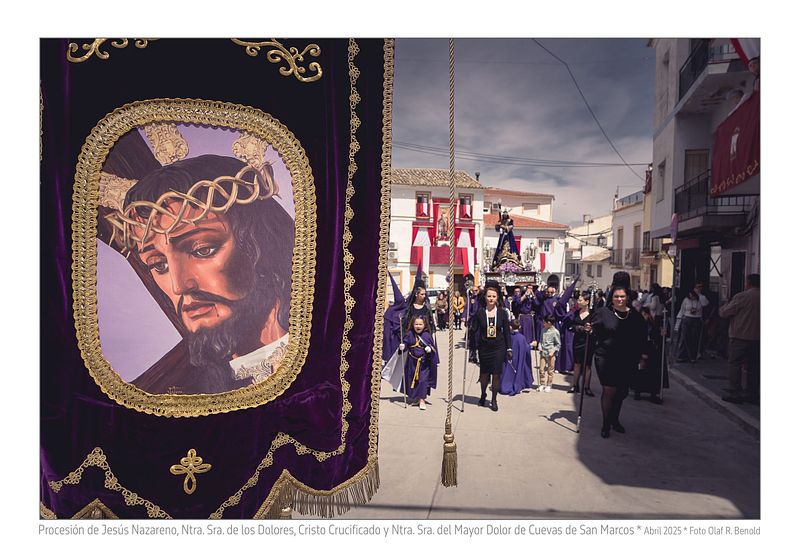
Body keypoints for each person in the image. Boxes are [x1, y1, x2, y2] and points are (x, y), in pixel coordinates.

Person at [110, 154, 293, 394]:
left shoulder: (343, 353)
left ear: (260, 241)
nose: (179, 285)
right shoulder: (179, 396)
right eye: (159, 265)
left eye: (202, 250)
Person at [585, 284, 648, 438]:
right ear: (611, 298)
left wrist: (643, 355)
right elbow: (591, 329)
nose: (619, 299)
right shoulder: (603, 313)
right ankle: (606, 424)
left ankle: (615, 419)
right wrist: (588, 329)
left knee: (622, 391)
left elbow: (641, 336)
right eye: (616, 296)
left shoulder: (635, 316)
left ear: (627, 298)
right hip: (605, 357)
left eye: (622, 296)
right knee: (609, 390)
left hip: (627, 358)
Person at [469, 283, 512, 411]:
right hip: (484, 347)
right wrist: (470, 326)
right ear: (485, 297)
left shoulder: (503, 313)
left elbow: (506, 332)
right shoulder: (480, 313)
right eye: (489, 296)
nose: (491, 298)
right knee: (484, 375)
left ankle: (494, 399)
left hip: (498, 347)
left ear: (497, 297)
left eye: (494, 296)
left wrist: (509, 348)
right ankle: (483, 394)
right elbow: (474, 330)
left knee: (496, 374)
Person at [719, 274, 760, 404]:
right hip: (758, 337)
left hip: (740, 336)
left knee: (735, 363)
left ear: (748, 283)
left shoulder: (742, 296)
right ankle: (753, 393)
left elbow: (724, 312)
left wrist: (725, 304)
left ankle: (735, 392)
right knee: (754, 366)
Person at [398, 316, 438, 410]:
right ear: (413, 324)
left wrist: (430, 350)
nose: (418, 326)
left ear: (424, 325)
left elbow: (433, 350)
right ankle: (417, 398)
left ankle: (422, 400)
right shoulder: (409, 334)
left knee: (422, 380)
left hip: (423, 363)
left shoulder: (427, 336)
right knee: (414, 380)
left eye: (420, 324)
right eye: (416, 324)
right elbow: (405, 345)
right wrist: (402, 347)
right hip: (411, 362)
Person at [632, 307, 668, 404]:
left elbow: (658, 339)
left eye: (646, 314)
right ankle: (637, 391)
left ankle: (653, 393)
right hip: (642, 350)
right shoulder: (638, 326)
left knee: (652, 373)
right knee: (640, 372)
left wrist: (662, 334)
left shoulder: (653, 325)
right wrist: (641, 353)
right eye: (642, 314)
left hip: (652, 351)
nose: (645, 316)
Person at [563, 291, 596, 396]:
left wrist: (591, 329)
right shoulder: (576, 313)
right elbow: (570, 326)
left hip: (588, 342)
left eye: (580, 300)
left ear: (587, 302)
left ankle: (587, 387)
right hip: (577, 341)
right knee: (577, 364)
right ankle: (575, 385)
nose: (578, 301)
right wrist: (580, 328)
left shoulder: (593, 314)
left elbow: (598, 328)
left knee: (587, 365)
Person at [499, 319, 534, 396]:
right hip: (518, 359)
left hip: (508, 358)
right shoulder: (522, 338)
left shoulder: (507, 336)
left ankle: (504, 386)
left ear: (510, 327)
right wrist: (531, 345)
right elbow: (526, 348)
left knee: (507, 372)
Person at [676, 283, 708, 362]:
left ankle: (692, 356)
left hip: (696, 319)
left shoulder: (701, 298)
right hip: (687, 318)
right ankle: (682, 355)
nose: (698, 289)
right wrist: (679, 320)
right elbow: (682, 309)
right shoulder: (686, 299)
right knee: (684, 338)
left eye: (700, 287)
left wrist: (698, 295)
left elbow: (705, 304)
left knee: (694, 338)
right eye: (697, 287)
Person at [538, 316, 560, 393]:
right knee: (541, 369)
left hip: (551, 354)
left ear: (549, 323)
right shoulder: (543, 330)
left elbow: (558, 344)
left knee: (550, 370)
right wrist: (539, 346)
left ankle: (549, 385)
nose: (543, 324)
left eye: (544, 322)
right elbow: (540, 340)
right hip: (543, 352)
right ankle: (542, 384)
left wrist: (553, 351)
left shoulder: (555, 332)